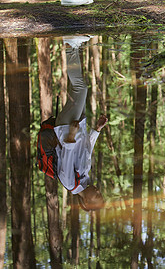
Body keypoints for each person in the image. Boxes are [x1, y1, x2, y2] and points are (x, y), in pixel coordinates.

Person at [54, 35, 107, 211]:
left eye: (97, 196)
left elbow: (67, 157)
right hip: (78, 127)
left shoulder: (70, 183)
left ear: (86, 202)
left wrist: (70, 134)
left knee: (80, 88)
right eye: (100, 194)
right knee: (77, 86)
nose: (98, 191)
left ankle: (70, 44)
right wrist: (97, 130)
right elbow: (86, 150)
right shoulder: (83, 180)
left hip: (67, 128)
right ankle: (73, 47)